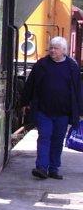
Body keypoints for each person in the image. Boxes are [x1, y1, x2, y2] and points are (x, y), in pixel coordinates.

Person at [21, 36, 82, 179]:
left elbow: (78, 90)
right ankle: (42, 168)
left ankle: (54, 169)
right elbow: (30, 85)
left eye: (56, 48)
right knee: (44, 137)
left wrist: (79, 111)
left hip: (63, 112)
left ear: (64, 51)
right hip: (44, 111)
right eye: (51, 48)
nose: (52, 51)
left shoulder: (72, 67)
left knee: (57, 140)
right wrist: (24, 102)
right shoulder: (41, 64)